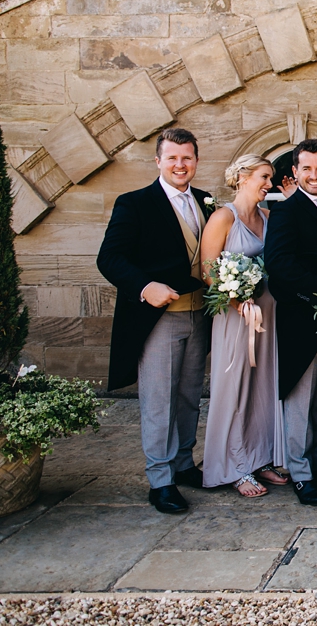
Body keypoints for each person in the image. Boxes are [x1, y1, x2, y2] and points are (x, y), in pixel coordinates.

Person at [97, 128, 213, 515]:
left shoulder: (205, 203)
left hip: (200, 315)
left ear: (196, 160)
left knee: (189, 394)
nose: (181, 165)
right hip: (159, 319)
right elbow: (110, 259)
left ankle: (183, 463)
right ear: (158, 161)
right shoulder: (134, 203)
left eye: (187, 158)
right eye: (173, 158)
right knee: (159, 398)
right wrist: (145, 286)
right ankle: (160, 479)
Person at [200, 155, 289, 498]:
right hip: (235, 316)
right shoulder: (224, 217)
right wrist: (237, 302)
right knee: (235, 387)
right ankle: (234, 465)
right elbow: (208, 272)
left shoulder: (267, 217)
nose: (269, 184)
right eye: (265, 177)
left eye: (271, 178)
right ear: (242, 177)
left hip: (268, 314)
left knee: (264, 386)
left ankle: (260, 457)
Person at [265, 138, 317, 507]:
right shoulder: (286, 210)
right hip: (301, 317)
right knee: (300, 398)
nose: (314, 175)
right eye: (306, 168)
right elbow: (279, 264)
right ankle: (301, 474)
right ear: (294, 173)